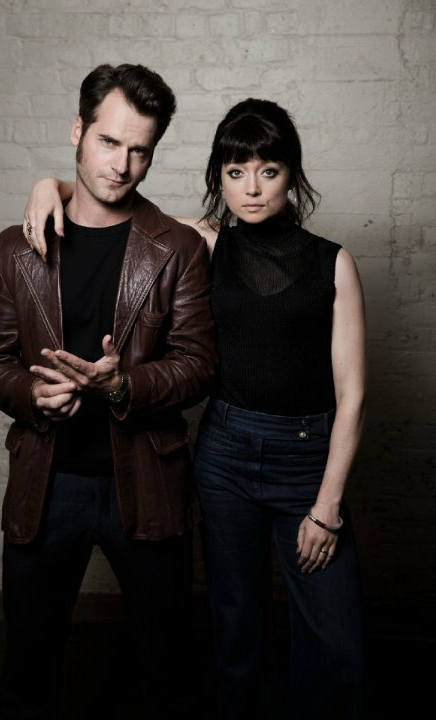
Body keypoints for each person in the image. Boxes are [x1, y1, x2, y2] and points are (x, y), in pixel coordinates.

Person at [22, 97, 367, 720]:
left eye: (268, 170)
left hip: (307, 459)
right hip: (226, 453)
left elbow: (355, 397)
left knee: (334, 640)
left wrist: (328, 507)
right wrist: (52, 185)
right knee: (237, 625)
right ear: (219, 179)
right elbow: (118, 204)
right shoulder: (207, 241)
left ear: (291, 173)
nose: (252, 188)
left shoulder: (333, 261)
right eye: (235, 172)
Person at [0, 63, 216, 720]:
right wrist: (31, 393)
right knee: (26, 675)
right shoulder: (15, 249)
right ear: (78, 131)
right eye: (109, 142)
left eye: (140, 150)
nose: (122, 165)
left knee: (168, 673)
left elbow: (198, 366)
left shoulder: (178, 249)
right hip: (47, 487)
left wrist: (123, 383)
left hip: (148, 484)